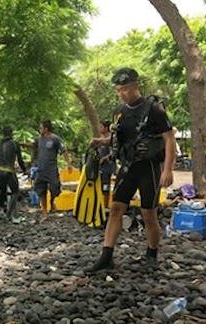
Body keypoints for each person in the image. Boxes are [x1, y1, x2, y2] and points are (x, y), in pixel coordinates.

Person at [87, 67, 176, 273]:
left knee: (148, 214)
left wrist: (168, 170)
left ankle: (151, 254)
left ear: (136, 86)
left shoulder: (154, 109)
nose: (121, 93)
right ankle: (106, 256)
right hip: (127, 167)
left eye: (125, 89)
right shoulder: (120, 112)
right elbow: (120, 140)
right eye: (118, 90)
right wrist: (101, 142)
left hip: (149, 168)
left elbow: (169, 138)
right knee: (116, 209)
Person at [32, 120, 73, 222]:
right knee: (41, 190)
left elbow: (64, 151)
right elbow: (35, 151)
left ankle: (52, 200)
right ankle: (45, 212)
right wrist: (33, 165)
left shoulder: (55, 139)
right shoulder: (39, 139)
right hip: (41, 169)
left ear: (46, 129)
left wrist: (69, 164)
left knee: (55, 187)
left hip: (52, 169)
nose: (39, 130)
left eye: (41, 128)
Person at [0, 126, 28, 223]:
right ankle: (9, 215)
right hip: (9, 171)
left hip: (0, 171)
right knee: (15, 192)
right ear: (11, 133)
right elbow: (20, 160)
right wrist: (25, 170)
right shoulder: (14, 143)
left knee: (1, 192)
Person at [98, 120, 115, 211]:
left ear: (106, 128)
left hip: (107, 168)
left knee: (106, 187)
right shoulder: (100, 139)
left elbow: (114, 152)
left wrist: (104, 158)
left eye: (101, 127)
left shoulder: (111, 139)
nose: (99, 128)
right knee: (100, 187)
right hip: (100, 168)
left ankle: (105, 206)